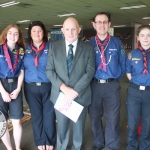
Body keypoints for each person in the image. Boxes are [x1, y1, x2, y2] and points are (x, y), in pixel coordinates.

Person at [46, 17, 95, 150]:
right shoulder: (54, 47)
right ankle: (61, 147)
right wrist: (65, 89)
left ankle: (77, 147)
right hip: (61, 95)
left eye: (73, 28)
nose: (70, 32)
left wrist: (75, 91)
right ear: (62, 30)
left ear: (79, 29)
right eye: (67, 29)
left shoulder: (88, 48)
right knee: (62, 127)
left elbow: (90, 72)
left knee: (79, 127)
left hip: (80, 95)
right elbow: (49, 71)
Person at [88, 12, 126, 150]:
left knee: (113, 118)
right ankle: (98, 143)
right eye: (99, 22)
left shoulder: (117, 43)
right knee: (94, 117)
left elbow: (123, 63)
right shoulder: (89, 44)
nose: (102, 25)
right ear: (94, 25)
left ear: (109, 24)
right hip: (94, 86)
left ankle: (112, 146)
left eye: (105, 22)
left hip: (112, 85)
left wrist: (114, 79)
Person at [23, 21, 56, 150]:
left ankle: (50, 141)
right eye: (34, 31)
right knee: (37, 116)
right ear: (30, 33)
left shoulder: (51, 46)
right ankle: (40, 141)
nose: (37, 33)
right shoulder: (24, 48)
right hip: (30, 87)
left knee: (49, 115)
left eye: (39, 30)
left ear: (44, 32)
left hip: (48, 85)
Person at [0, 24, 25, 150]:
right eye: (10, 33)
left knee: (17, 121)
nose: (12, 36)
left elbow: (21, 71)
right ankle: (10, 148)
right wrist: (3, 92)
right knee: (1, 122)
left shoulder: (20, 50)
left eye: (16, 33)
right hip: (1, 86)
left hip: (15, 86)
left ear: (19, 36)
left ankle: (18, 147)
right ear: (5, 34)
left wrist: (19, 88)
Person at [126, 25, 150, 150]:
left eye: (148, 35)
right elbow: (128, 74)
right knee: (133, 122)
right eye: (142, 35)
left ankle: (145, 147)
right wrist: (139, 84)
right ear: (138, 38)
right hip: (134, 92)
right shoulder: (132, 54)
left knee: (148, 123)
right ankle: (132, 147)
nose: (145, 38)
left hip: (149, 93)